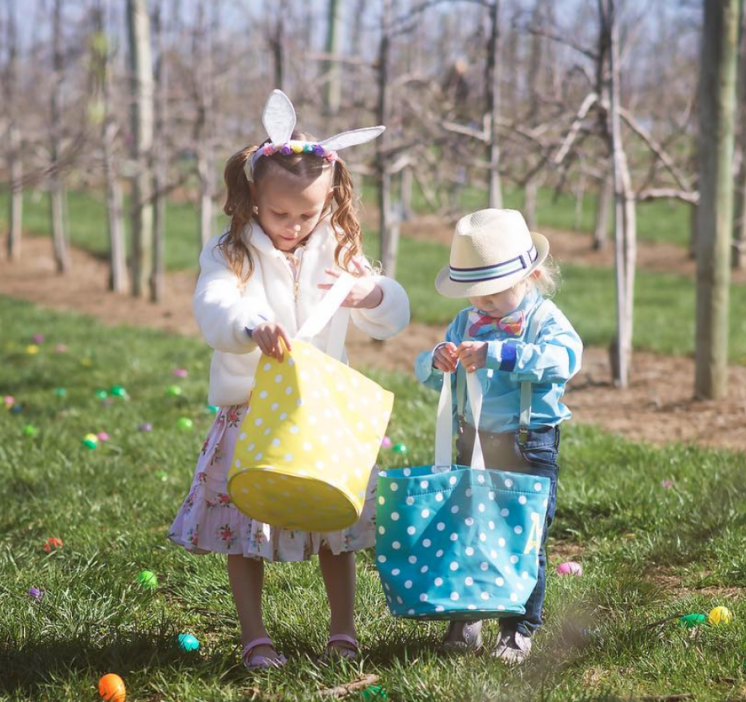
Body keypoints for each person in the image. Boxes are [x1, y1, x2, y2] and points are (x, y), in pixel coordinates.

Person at [169, 91, 410, 670]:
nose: (295, 227)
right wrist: (251, 324)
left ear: (328, 202)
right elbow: (213, 307)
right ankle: (255, 638)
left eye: (308, 214)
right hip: (252, 408)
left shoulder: (338, 248)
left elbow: (391, 314)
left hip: (319, 410)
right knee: (243, 523)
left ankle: (343, 631)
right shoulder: (231, 253)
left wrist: (368, 292)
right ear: (252, 199)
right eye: (281, 215)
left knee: (336, 523)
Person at [414, 208, 582, 664]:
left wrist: (501, 354)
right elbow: (425, 376)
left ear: (532, 276)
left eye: (494, 295)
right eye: (476, 295)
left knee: (523, 535)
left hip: (528, 442)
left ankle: (518, 626)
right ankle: (468, 615)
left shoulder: (545, 319)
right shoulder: (466, 322)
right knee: (468, 528)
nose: (483, 305)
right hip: (474, 438)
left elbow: (563, 360)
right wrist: (437, 360)